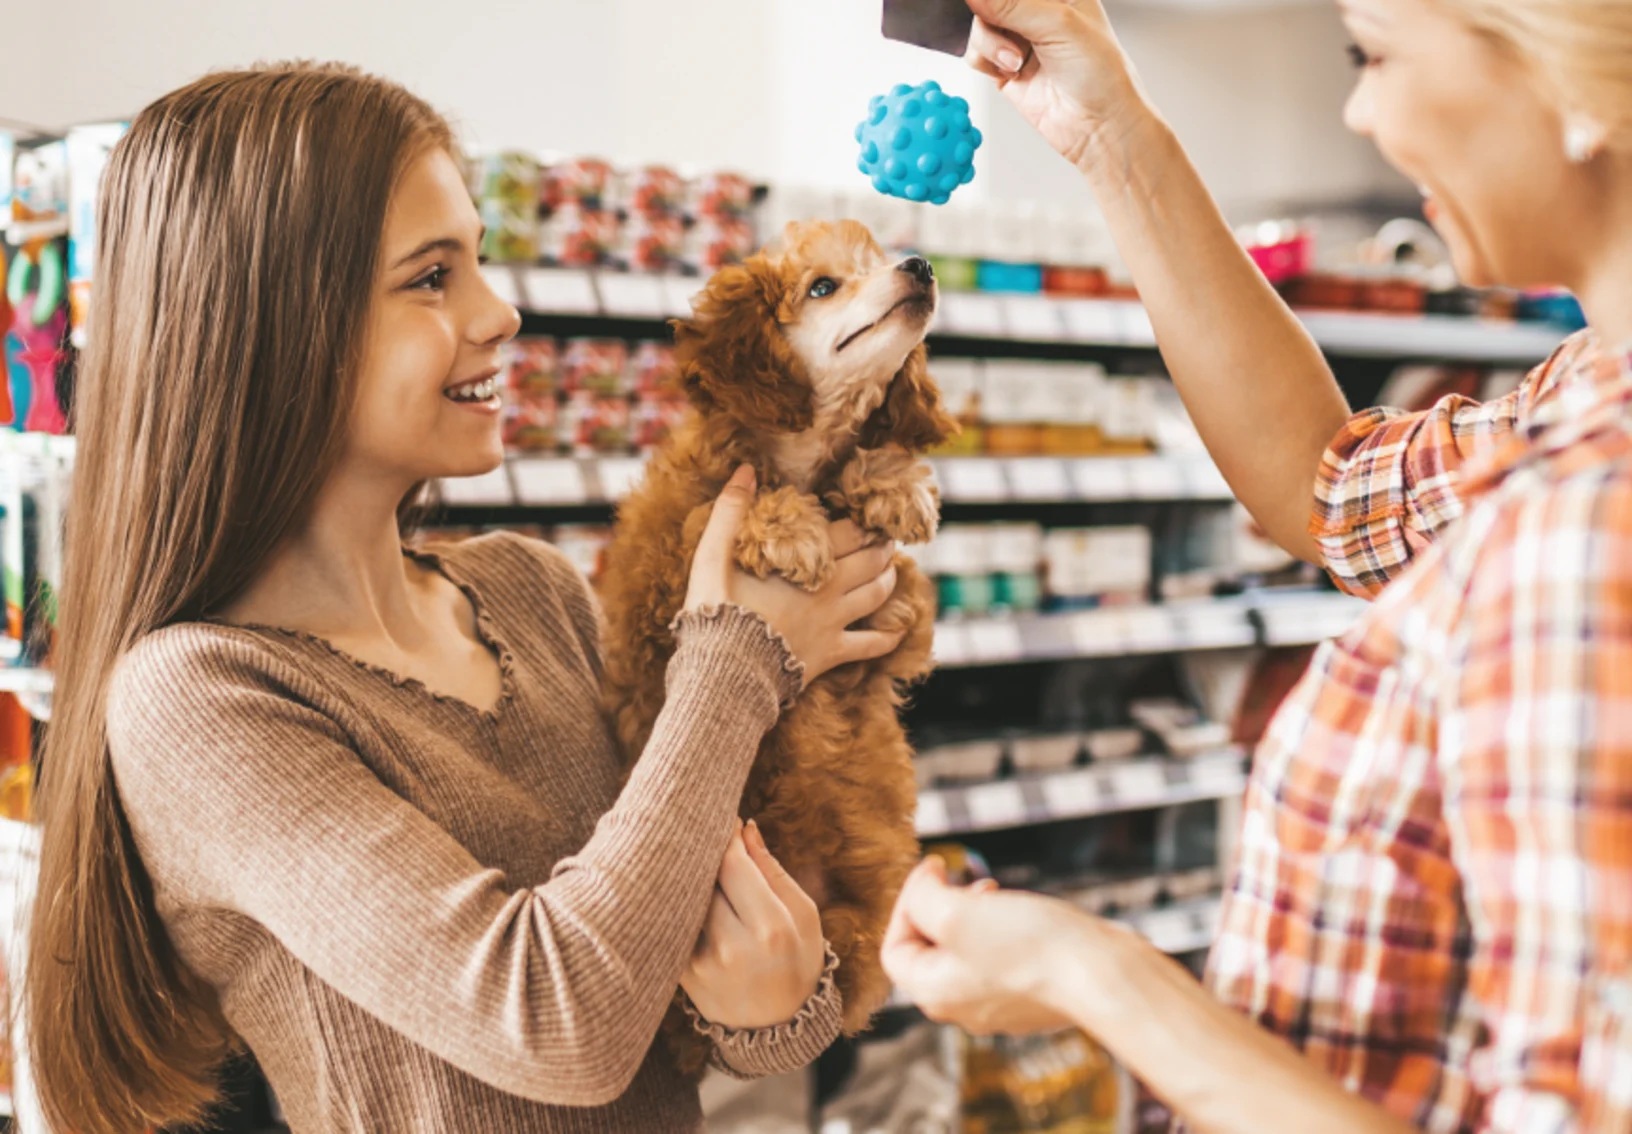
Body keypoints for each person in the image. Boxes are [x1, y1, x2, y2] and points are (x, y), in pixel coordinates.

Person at [24, 63, 905, 1134]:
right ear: (273, 323)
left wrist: (774, 1013)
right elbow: (558, 1021)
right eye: (432, 277)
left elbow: (672, 974)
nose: (501, 310)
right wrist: (741, 657)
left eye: (479, 259)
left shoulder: (529, 591)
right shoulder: (198, 701)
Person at [883, 0, 1632, 1130]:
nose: (1358, 110)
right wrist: (1108, 130)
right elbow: (1336, 491)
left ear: (1579, 86)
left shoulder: (1589, 511)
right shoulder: (1582, 399)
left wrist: (1095, 978)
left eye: (1373, 56)